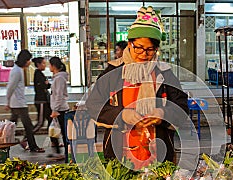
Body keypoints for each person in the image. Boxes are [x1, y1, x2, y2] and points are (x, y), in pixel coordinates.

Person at [86, 6, 188, 169]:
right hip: (119, 153)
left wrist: (163, 114)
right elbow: (93, 105)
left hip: (158, 154)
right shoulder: (113, 72)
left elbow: (182, 107)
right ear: (129, 43)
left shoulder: (165, 74)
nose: (143, 54)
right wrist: (122, 114)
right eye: (139, 47)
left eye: (149, 50)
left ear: (156, 49)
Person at [6, 49, 45, 153]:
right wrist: (7, 101)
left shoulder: (18, 70)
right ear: (24, 60)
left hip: (18, 103)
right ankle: (32, 146)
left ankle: (5, 143)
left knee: (11, 125)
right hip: (18, 104)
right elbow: (10, 87)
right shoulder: (17, 71)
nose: (29, 62)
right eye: (28, 60)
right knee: (28, 126)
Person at [31, 57, 61, 153]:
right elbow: (44, 85)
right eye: (43, 63)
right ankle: (27, 138)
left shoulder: (40, 74)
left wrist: (47, 83)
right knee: (40, 123)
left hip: (45, 101)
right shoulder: (37, 74)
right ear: (38, 64)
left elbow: (47, 85)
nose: (45, 65)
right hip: (41, 101)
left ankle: (54, 141)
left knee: (50, 120)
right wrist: (46, 83)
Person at [49, 56, 69, 161]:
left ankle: (66, 153)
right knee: (54, 132)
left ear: (53, 66)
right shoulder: (58, 77)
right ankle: (60, 153)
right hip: (58, 109)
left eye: (50, 65)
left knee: (63, 133)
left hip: (60, 109)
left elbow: (59, 95)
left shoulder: (60, 78)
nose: (49, 67)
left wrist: (55, 110)